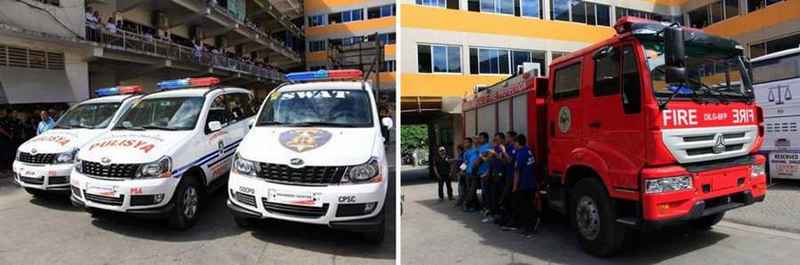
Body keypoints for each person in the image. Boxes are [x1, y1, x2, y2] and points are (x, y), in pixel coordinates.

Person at [507, 134, 539, 238]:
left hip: (524, 185)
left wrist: (514, 187)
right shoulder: (528, 151)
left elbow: (517, 172)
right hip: (532, 183)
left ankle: (529, 229)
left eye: (514, 143)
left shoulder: (520, 154)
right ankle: (531, 226)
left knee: (525, 207)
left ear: (517, 143)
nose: (513, 145)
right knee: (530, 206)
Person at [461, 137, 480, 212]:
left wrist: (476, 141)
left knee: (472, 190)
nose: (465, 144)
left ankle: (466, 203)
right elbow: (465, 162)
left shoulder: (476, 150)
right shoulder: (465, 153)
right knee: (471, 190)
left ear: (470, 143)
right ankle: (475, 206)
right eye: (464, 142)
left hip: (475, 173)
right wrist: (461, 170)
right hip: (468, 173)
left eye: (466, 142)